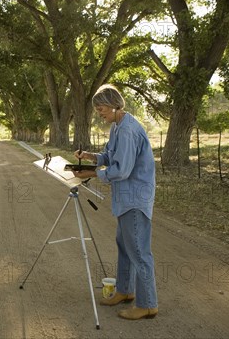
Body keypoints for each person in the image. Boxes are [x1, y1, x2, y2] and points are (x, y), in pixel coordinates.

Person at [73, 84, 158, 320]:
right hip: (125, 198)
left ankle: (148, 304)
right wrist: (90, 157)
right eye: (97, 109)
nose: (99, 112)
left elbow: (121, 170)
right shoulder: (117, 126)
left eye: (101, 108)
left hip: (135, 198)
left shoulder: (129, 130)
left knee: (139, 252)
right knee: (124, 245)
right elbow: (111, 157)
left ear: (114, 105)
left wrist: (91, 174)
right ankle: (125, 290)